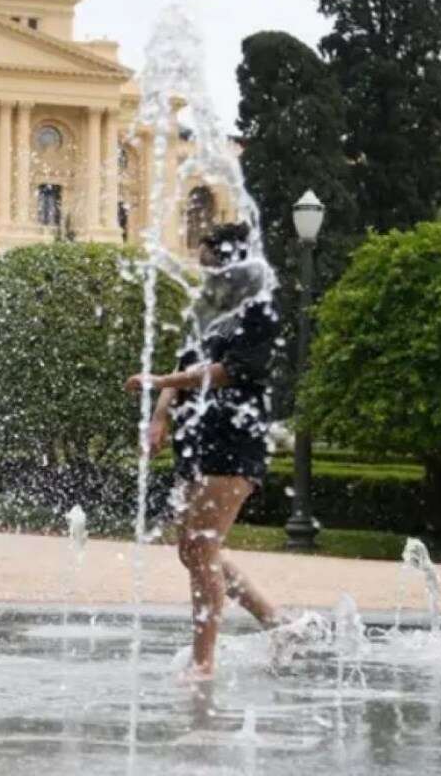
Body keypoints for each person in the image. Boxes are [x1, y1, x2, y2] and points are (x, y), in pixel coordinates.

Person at [125, 222, 283, 681]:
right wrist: (159, 416)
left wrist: (161, 381)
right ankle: (277, 624)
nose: (203, 266)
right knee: (192, 550)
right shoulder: (210, 309)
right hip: (198, 441)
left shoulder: (261, 310)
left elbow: (227, 371)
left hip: (234, 445)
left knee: (203, 548)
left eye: (209, 258)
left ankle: (204, 663)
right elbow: (185, 364)